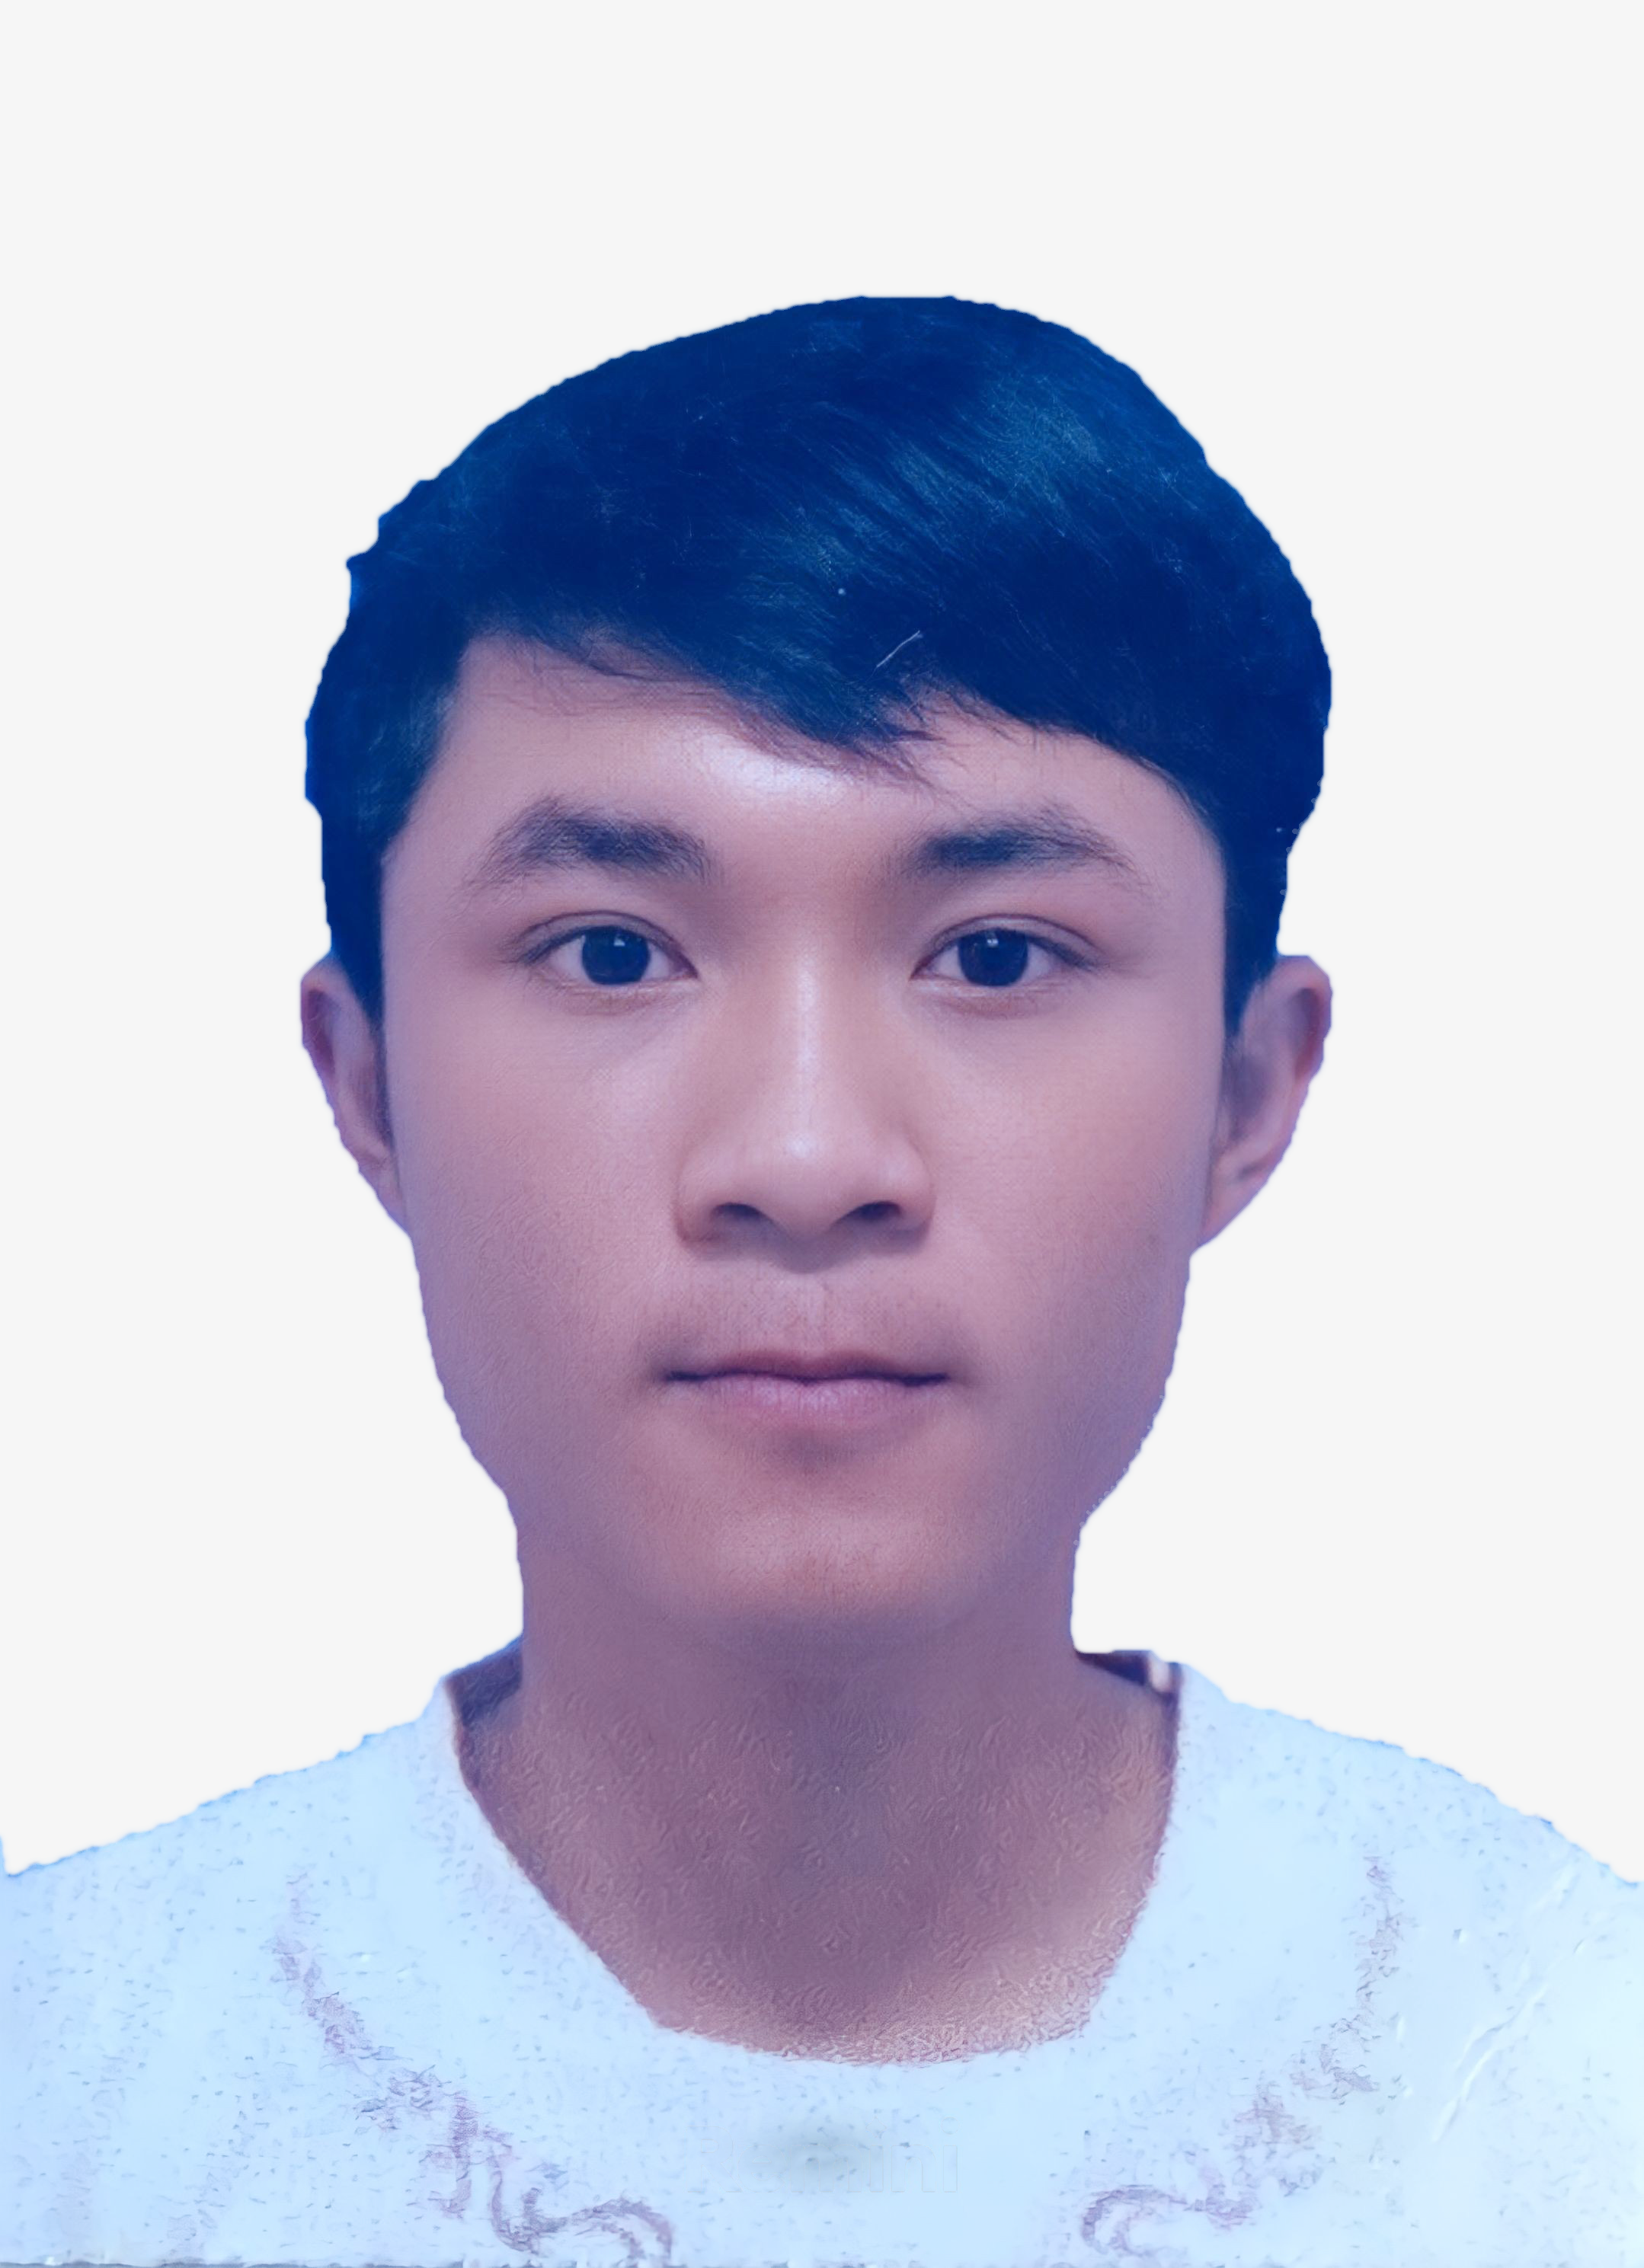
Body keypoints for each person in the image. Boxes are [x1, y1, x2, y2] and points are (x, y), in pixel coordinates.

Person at [3, 296, 1637, 2268]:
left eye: (997, 956)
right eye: (612, 953)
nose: (801, 1160)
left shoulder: (1562, 2078)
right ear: (367, 1087)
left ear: (1245, 1092)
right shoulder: (65, 2091)